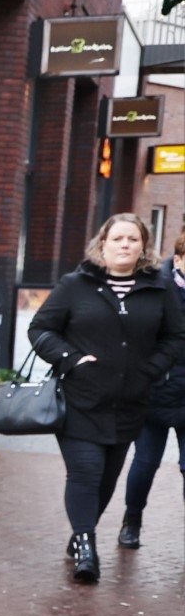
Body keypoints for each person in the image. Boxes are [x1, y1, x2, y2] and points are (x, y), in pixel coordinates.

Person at [29, 214, 185, 582]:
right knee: (85, 471)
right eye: (118, 238)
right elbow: (40, 329)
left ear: (143, 246)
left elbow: (176, 337)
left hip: (131, 402)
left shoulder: (158, 288)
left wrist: (151, 369)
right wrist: (72, 360)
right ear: (103, 243)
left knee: (108, 479)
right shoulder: (76, 284)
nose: (125, 245)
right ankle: (87, 548)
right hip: (81, 398)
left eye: (133, 239)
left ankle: (81, 531)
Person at [116, 229, 185, 550]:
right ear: (180, 257)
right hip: (156, 392)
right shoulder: (156, 285)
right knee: (145, 462)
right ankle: (132, 520)